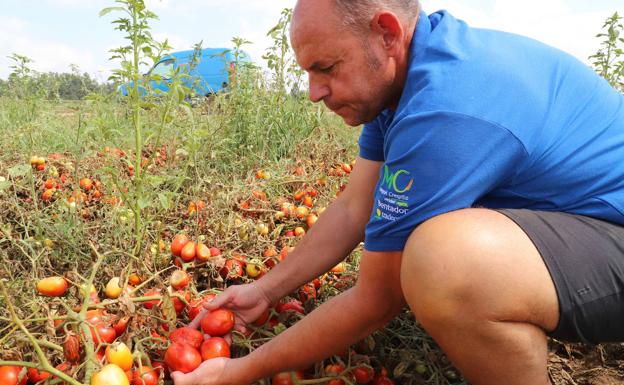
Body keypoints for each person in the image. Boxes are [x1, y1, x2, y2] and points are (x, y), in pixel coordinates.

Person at [172, 0, 624, 384]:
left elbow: (376, 301)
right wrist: (267, 290)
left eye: (326, 68)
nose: (313, 92)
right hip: (586, 228)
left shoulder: (446, 104)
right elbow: (354, 208)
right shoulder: (402, 84)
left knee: (446, 260)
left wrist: (242, 370)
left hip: (613, 236)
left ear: (386, 33)